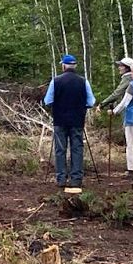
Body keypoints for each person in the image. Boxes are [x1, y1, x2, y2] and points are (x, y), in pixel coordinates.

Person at [44, 54, 96, 188]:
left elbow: (48, 101)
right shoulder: (83, 81)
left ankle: (61, 179)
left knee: (60, 150)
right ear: (75, 66)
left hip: (60, 120)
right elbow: (91, 102)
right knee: (77, 148)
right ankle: (76, 179)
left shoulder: (55, 81)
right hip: (77, 120)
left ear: (63, 65)